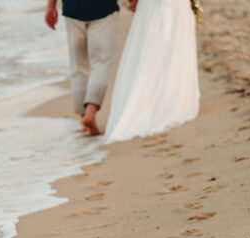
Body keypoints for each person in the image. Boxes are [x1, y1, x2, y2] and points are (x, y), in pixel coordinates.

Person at [105, 0, 200, 141]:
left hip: (152, 7)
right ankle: (169, 99)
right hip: (172, 6)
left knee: (150, 53)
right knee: (173, 50)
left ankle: (152, 102)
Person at [45, 0, 120, 135]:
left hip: (72, 8)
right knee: (101, 62)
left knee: (78, 66)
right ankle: (90, 113)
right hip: (103, 8)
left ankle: (83, 118)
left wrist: (51, 6)